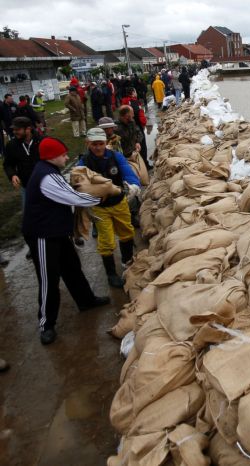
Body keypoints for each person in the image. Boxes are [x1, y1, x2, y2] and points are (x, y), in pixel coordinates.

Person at [23, 136, 110, 345]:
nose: (67, 157)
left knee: (72, 267)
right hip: (42, 234)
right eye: (63, 154)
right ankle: (46, 324)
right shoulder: (46, 177)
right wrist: (106, 196)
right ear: (52, 156)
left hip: (57, 231)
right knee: (48, 278)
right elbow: (74, 198)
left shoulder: (50, 171)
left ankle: (86, 300)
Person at [76, 128, 140, 288]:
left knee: (126, 232)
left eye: (101, 144)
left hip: (119, 203)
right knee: (106, 240)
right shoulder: (84, 162)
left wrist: (133, 185)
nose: (98, 147)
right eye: (94, 144)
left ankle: (127, 261)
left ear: (105, 143)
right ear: (88, 144)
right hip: (99, 208)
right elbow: (78, 183)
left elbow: (127, 172)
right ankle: (111, 274)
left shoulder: (115, 156)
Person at [120, 89, 149, 168]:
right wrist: (143, 124)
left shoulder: (124, 102)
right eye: (135, 92)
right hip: (136, 126)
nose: (136, 93)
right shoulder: (134, 102)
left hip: (130, 128)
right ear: (132, 93)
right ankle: (144, 164)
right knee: (142, 147)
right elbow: (140, 115)